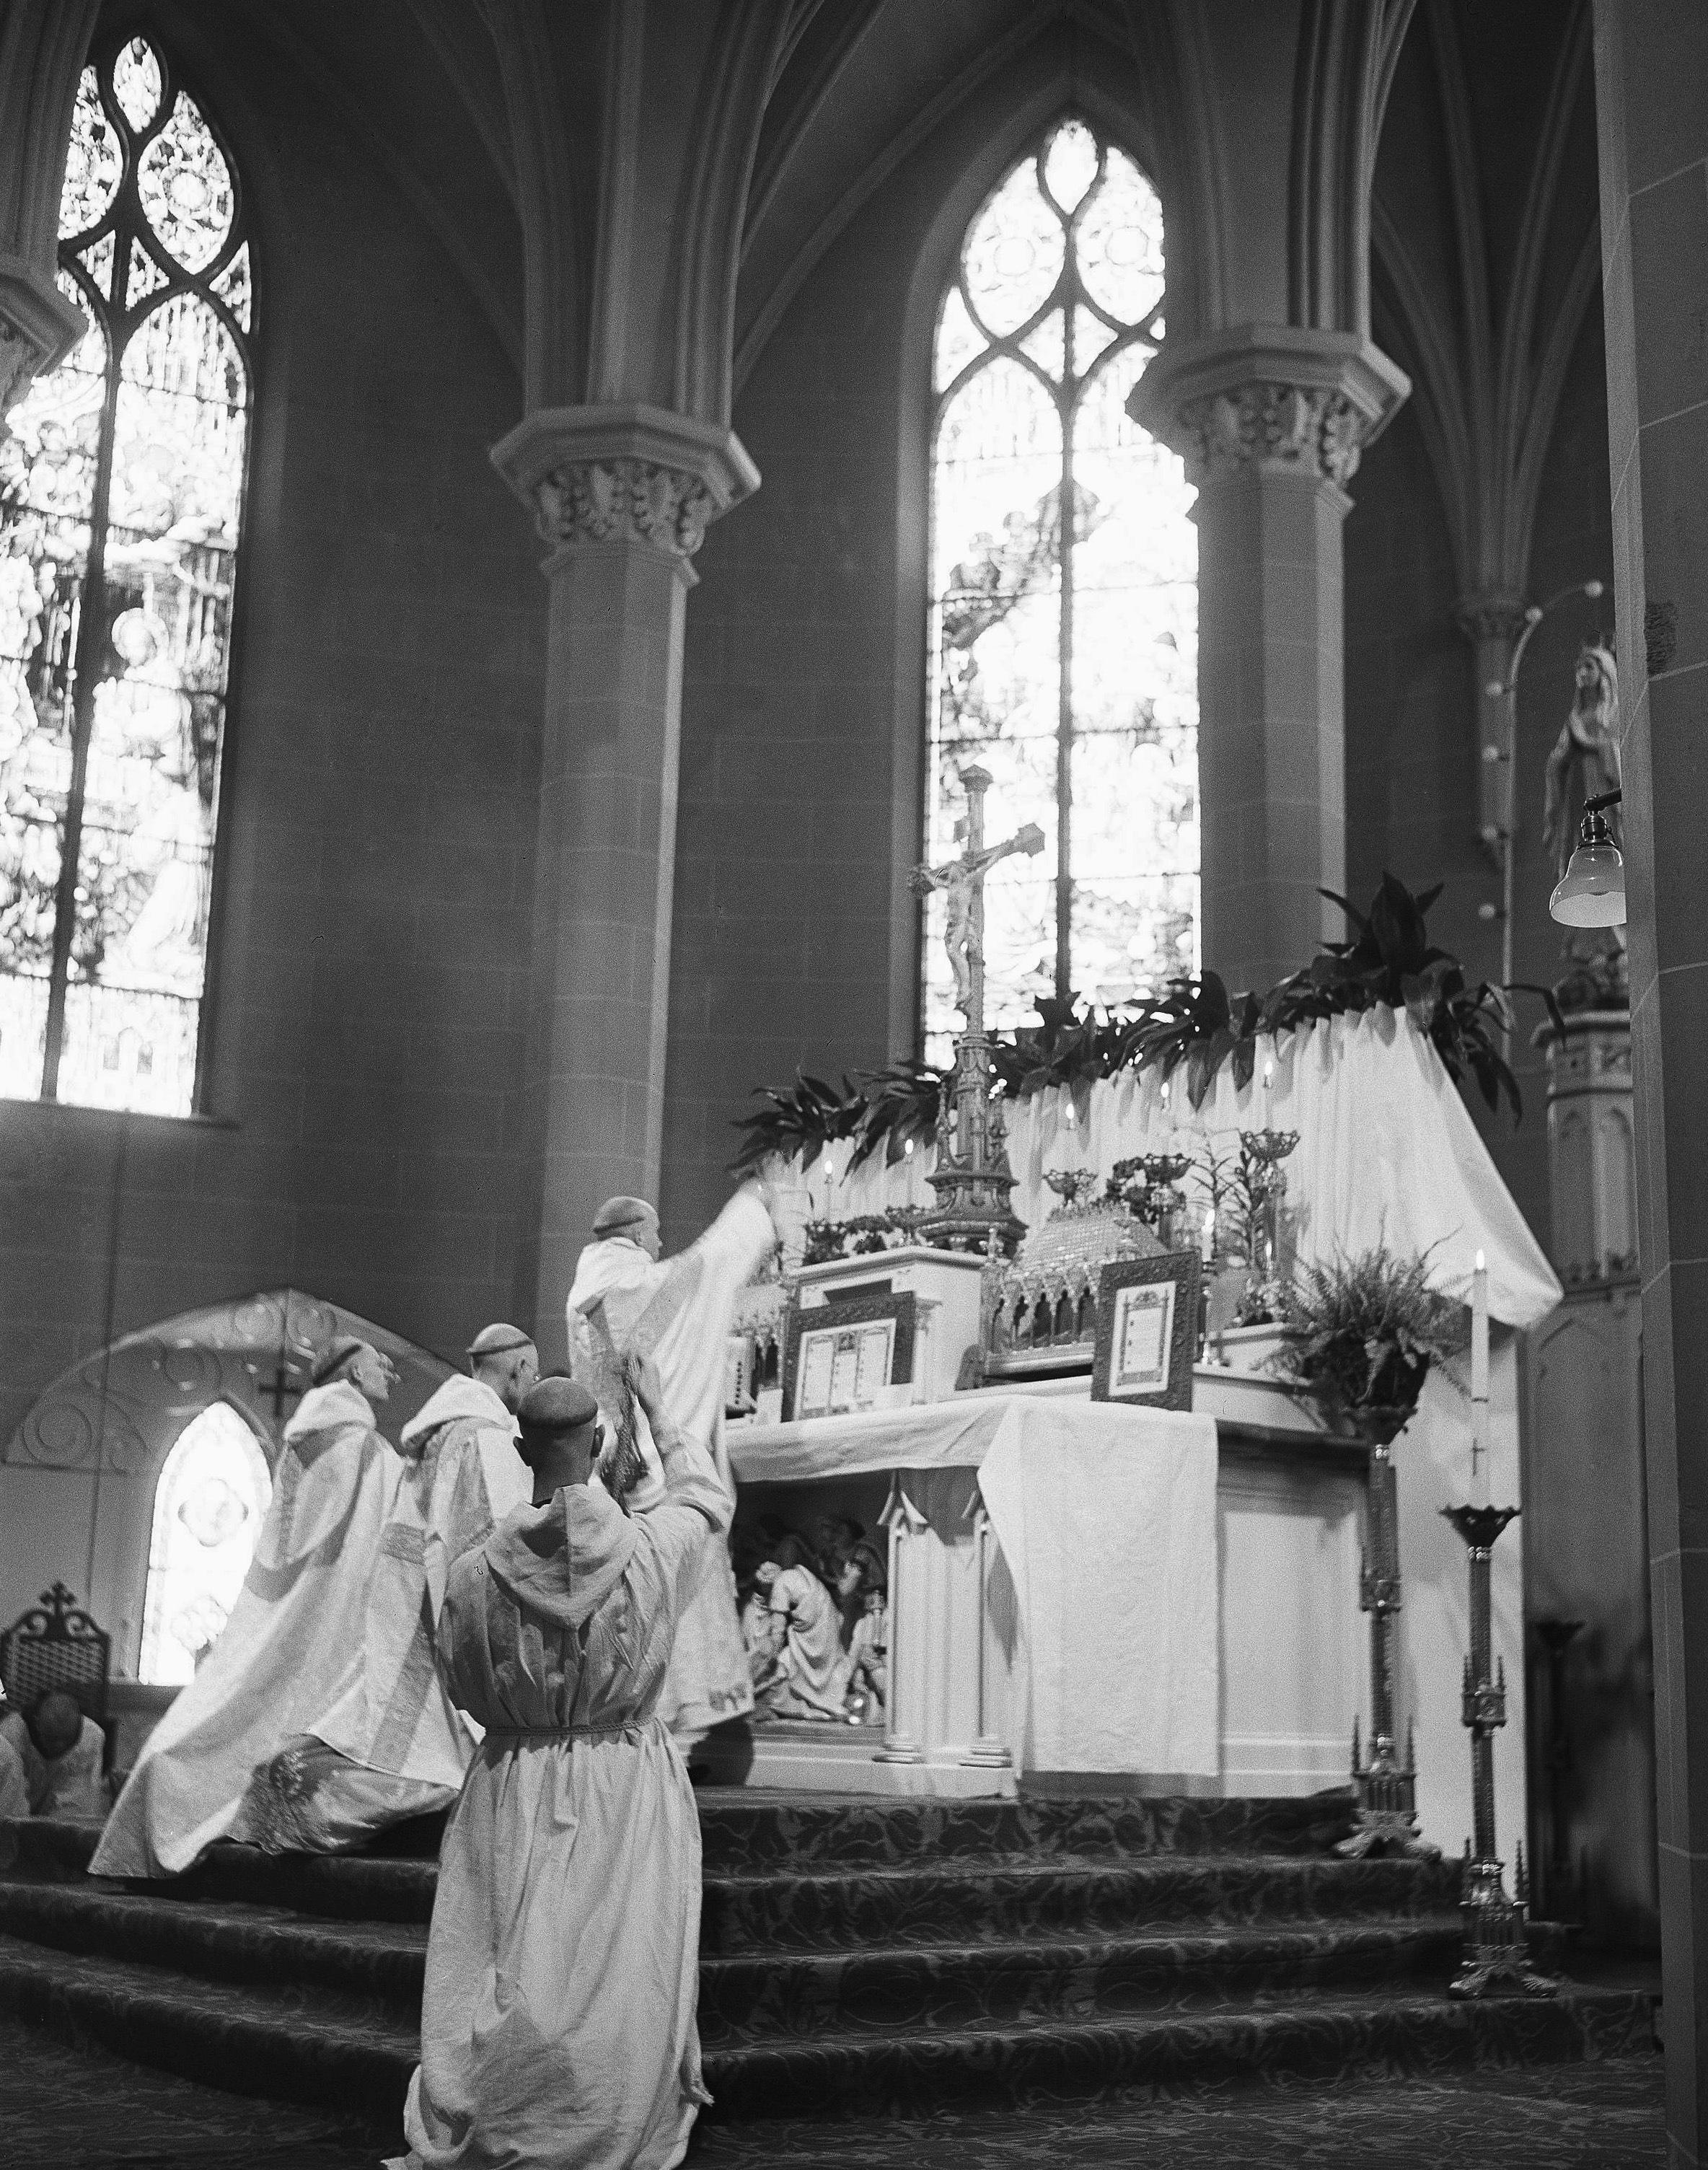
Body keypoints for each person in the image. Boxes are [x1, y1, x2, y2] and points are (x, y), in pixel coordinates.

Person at [392, 1363, 730, 2170]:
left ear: (520, 1446)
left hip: (514, 1775)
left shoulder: (474, 1570)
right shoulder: (655, 1546)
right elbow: (706, 1496)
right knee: (613, 1958)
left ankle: (510, 2105)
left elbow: (460, 1678)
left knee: (511, 1948)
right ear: (602, 1441)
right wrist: (658, 1407)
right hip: (622, 1778)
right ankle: (599, 2107)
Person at [93, 1337, 405, 1876]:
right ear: (353, 1373)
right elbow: (386, 1542)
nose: (391, 1373)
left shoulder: (307, 1439)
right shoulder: (365, 1449)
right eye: (379, 1363)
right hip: (338, 1604)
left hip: (287, 1595)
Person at [231, 1326, 539, 1854]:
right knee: (433, 1753)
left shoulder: (437, 1432)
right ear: (518, 1372)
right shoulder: (484, 1437)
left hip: (400, 1605)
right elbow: (497, 1544)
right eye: (531, 1375)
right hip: (451, 1614)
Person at [565, 1169, 807, 1748]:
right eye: (653, 1236)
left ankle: (640, 1715)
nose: (659, 1246)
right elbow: (710, 1263)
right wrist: (751, 1208)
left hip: (612, 1464)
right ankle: (677, 1722)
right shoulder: (634, 1282)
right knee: (678, 1583)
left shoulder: (587, 1289)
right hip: (653, 1466)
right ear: (632, 1234)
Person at [0, 1690, 106, 1820]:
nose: (59, 1746)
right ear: (37, 1723)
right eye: (52, 1738)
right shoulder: (11, 1736)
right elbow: (10, 1806)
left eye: (67, 1739)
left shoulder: (91, 1738)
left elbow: (77, 1806)